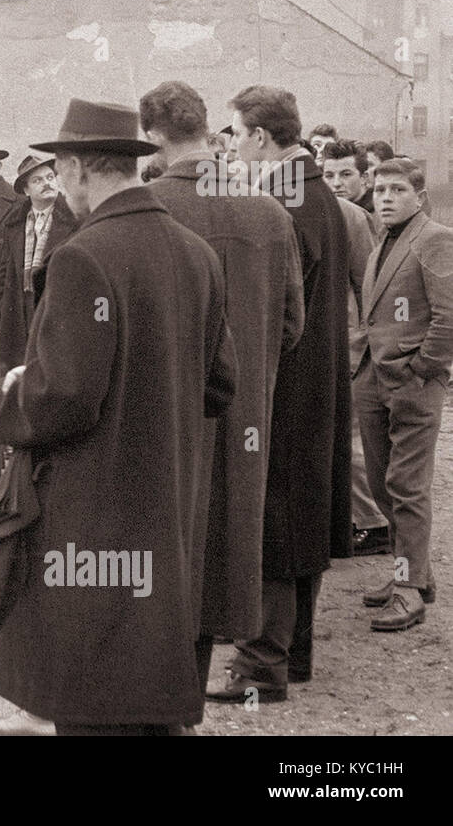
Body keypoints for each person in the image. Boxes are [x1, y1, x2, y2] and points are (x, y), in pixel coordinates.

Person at [0, 97, 236, 735]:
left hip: (90, 496)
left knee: (91, 656)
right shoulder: (196, 253)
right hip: (169, 491)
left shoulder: (82, 256)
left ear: (73, 169)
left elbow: (63, 399)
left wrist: (5, 396)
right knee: (142, 648)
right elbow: (220, 386)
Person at [140, 80, 304, 700]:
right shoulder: (268, 212)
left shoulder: (145, 206)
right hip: (247, 418)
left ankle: (162, 693)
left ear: (154, 135)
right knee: (229, 545)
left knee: (164, 546)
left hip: (165, 413)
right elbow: (293, 326)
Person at [208, 85, 353, 704]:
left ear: (260, 137)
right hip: (317, 383)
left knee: (273, 517)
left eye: (236, 134)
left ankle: (261, 665)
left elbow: (277, 315)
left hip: (284, 387)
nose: (232, 146)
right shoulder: (317, 193)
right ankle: (291, 655)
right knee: (302, 512)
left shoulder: (282, 202)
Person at [355, 160, 452, 631]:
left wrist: (420, 369)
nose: (385, 197)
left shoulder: (434, 237)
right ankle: (409, 573)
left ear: (419, 195)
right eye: (379, 189)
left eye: (396, 189)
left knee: (406, 488)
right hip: (375, 380)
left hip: (412, 384)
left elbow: (449, 317)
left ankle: (410, 591)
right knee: (380, 483)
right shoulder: (384, 239)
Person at [322, 140, 390, 556]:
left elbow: (369, 285)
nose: (336, 183)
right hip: (339, 345)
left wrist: (365, 347)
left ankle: (373, 523)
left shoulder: (354, 219)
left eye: (345, 174)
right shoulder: (329, 212)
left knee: (354, 440)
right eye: (329, 175)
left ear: (364, 177)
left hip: (353, 346)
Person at [0, 154, 78, 369]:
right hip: (20, 308)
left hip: (54, 307)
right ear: (26, 190)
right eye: (38, 180)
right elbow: (4, 274)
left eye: (50, 177)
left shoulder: (74, 219)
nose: (47, 184)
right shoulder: (14, 223)